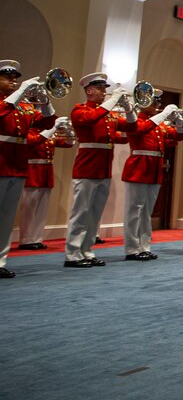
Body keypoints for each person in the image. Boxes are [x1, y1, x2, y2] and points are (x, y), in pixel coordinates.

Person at [65, 72, 137, 267]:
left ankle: (86, 251)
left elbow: (133, 126)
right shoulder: (80, 110)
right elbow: (90, 118)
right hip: (86, 168)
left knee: (94, 214)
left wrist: (128, 108)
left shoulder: (108, 115)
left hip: (103, 169)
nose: (104, 92)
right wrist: (114, 100)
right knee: (81, 213)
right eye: (101, 89)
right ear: (89, 90)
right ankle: (72, 253)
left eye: (105, 89)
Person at [0, 60, 58, 277]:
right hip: (1, 163)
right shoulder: (8, 104)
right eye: (8, 77)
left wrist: (45, 101)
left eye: (16, 78)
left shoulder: (23, 107)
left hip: (17, 167)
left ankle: (0, 261)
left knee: (6, 217)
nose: (13, 81)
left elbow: (47, 122)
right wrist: (23, 90)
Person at [120, 88, 183, 261]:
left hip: (154, 169)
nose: (157, 105)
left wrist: (179, 121)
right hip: (138, 167)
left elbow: (179, 136)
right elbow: (139, 129)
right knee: (134, 210)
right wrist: (163, 115)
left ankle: (144, 245)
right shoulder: (136, 119)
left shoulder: (158, 125)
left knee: (146, 211)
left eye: (158, 102)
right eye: (154, 102)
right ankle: (132, 248)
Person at [18, 117, 74, 250]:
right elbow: (35, 141)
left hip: (46, 171)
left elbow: (68, 143)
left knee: (42, 208)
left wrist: (68, 129)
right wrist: (53, 128)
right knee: (29, 208)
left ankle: (36, 238)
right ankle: (25, 239)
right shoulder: (30, 131)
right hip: (32, 170)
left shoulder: (47, 132)